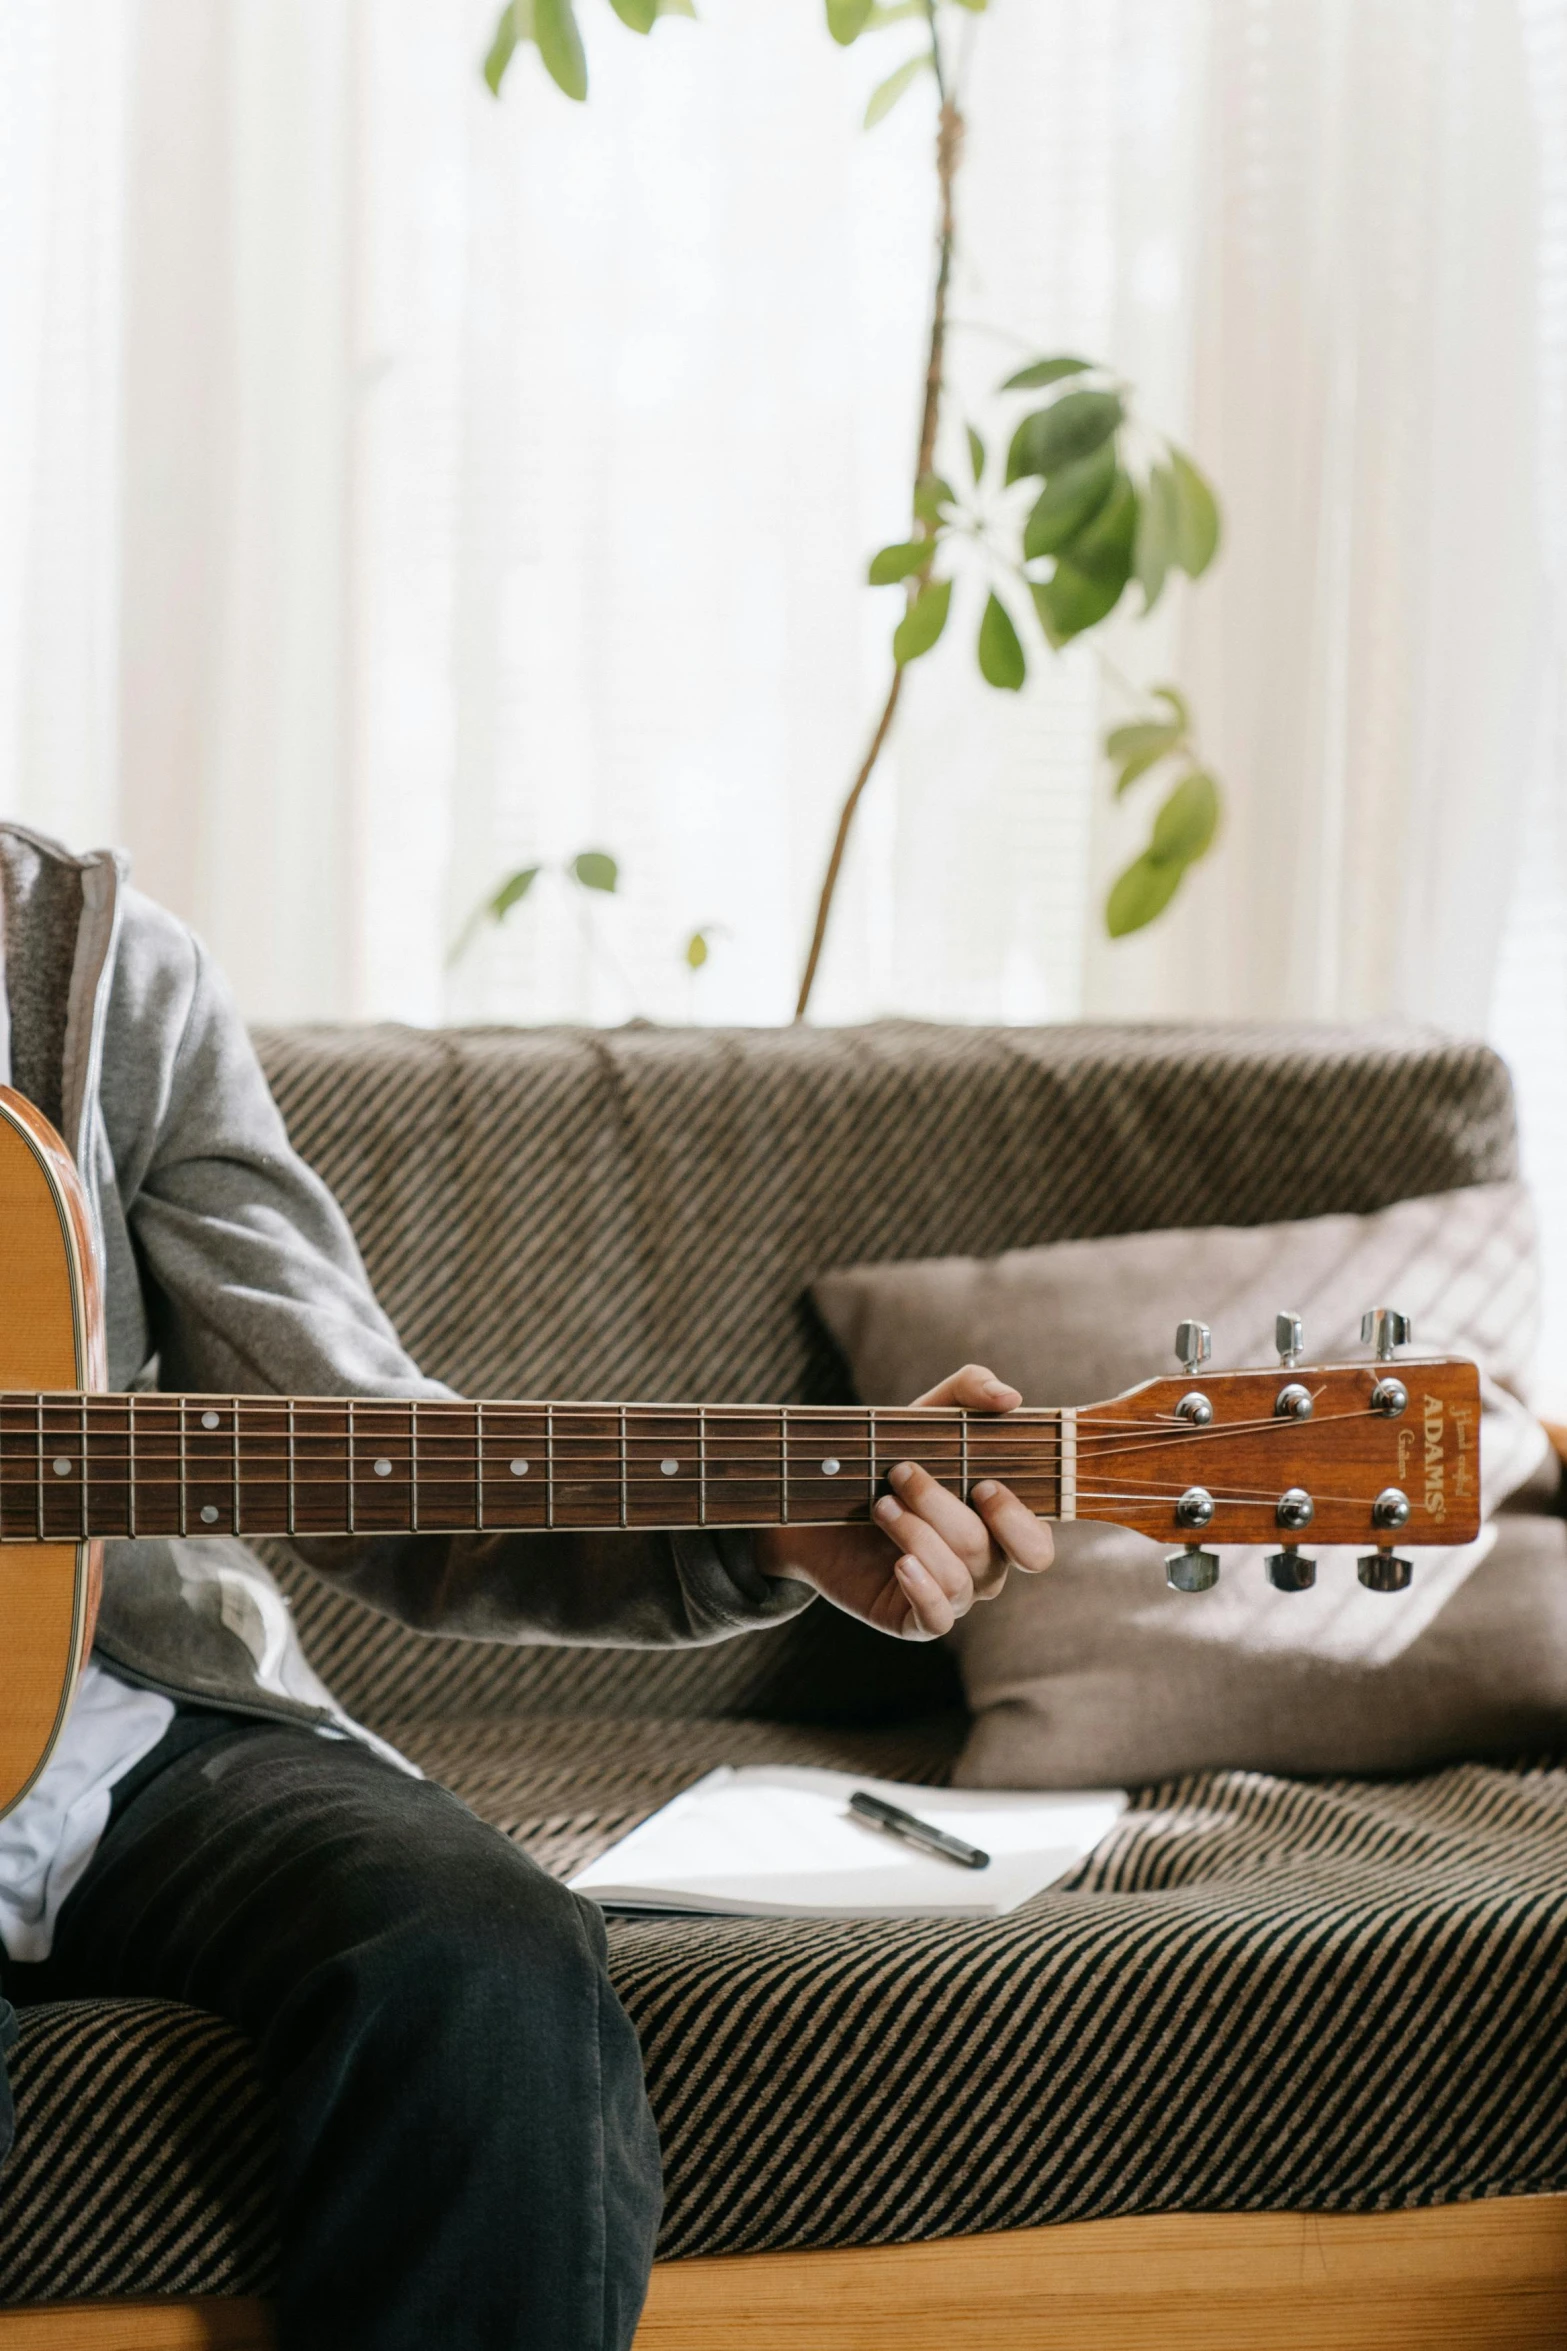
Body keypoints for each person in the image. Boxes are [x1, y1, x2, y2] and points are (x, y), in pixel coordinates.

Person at [0, 823, 1054, 2351]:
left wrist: (757, 1525)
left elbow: (364, 1450)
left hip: (131, 1711)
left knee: (485, 1971)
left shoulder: (103, 970)